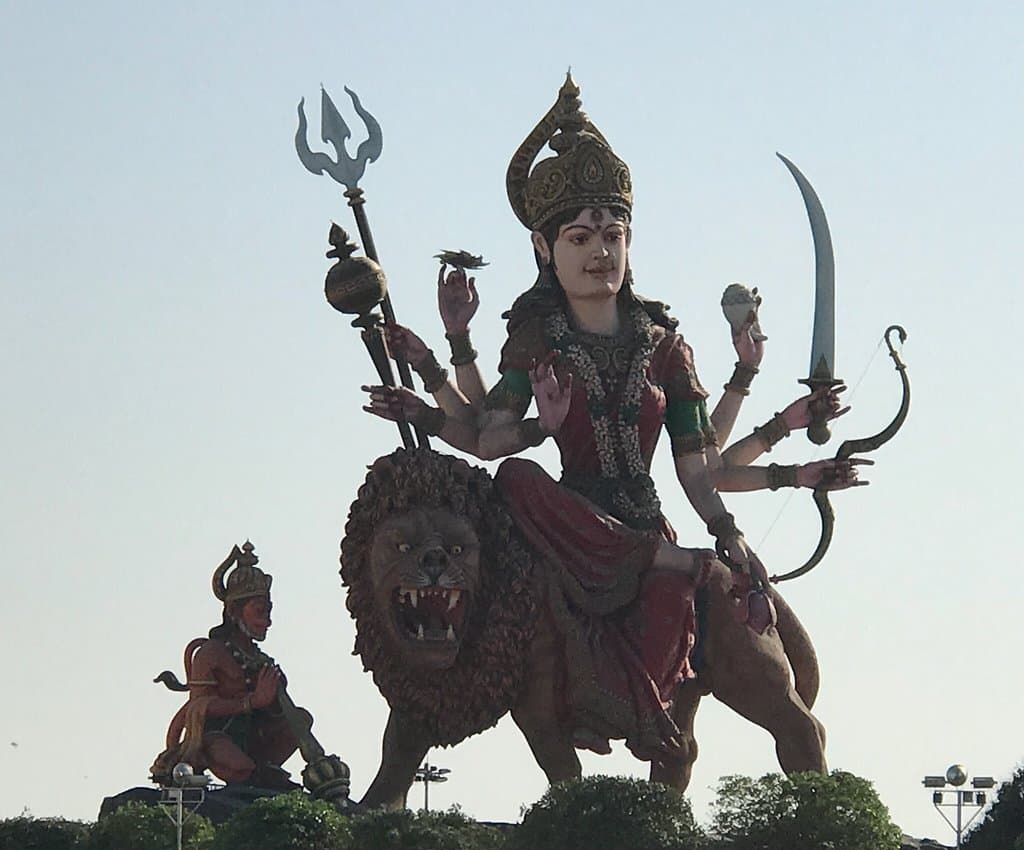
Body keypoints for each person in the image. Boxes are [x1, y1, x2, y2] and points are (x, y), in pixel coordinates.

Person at [363, 75, 864, 764]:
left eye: (612, 233)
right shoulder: (537, 339)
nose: (599, 251)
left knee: (675, 612)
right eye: (579, 236)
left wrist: (726, 528)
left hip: (645, 526)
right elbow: (486, 439)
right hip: (565, 527)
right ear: (546, 250)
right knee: (514, 477)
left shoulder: (665, 346)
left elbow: (698, 466)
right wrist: (461, 407)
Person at [150, 542, 312, 788]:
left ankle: (266, 771)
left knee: (301, 719)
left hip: (256, 733)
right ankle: (256, 776)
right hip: (218, 736)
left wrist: (275, 696)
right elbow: (198, 707)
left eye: (269, 612)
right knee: (240, 768)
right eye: (259, 611)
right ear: (235, 611)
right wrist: (251, 701)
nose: (267, 621)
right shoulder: (211, 653)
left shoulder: (261, 660)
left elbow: (278, 711)